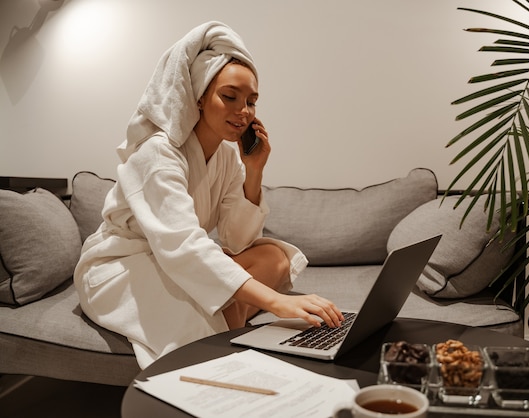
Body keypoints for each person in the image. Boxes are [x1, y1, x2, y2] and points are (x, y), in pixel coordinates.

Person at [73, 21, 343, 369]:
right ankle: (226, 347)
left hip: (176, 259)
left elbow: (237, 239)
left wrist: (255, 170)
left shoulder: (229, 155)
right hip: (120, 266)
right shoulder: (158, 153)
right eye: (229, 96)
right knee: (201, 319)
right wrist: (277, 302)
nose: (243, 111)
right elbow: (183, 245)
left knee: (273, 257)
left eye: (251, 101)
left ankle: (228, 321)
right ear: (199, 97)